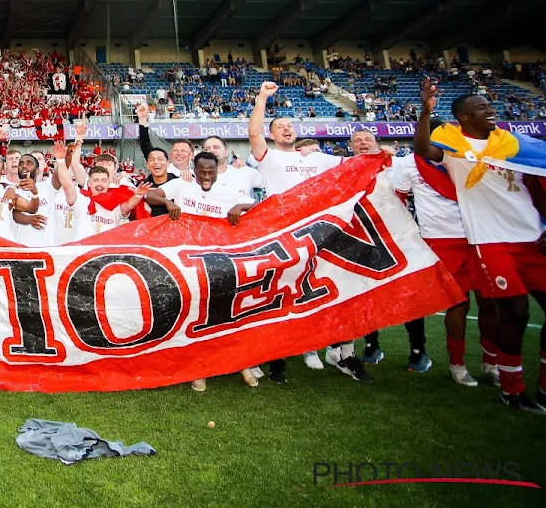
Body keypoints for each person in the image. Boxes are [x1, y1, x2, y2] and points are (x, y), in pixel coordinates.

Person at [415, 79, 546, 415]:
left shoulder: (512, 143)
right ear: (463, 116)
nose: (490, 110)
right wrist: (424, 112)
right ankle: (513, 389)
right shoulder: (450, 144)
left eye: (490, 106)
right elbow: (423, 150)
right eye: (481, 108)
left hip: (533, 238)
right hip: (492, 241)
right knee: (516, 312)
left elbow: (536, 184)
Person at [366, 119, 501, 387]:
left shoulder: (467, 159)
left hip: (481, 235)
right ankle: (457, 364)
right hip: (441, 240)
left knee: (490, 302)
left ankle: (491, 361)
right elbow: (398, 201)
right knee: (458, 303)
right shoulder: (407, 164)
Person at [248, 81, 356, 384]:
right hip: (285, 236)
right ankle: (277, 358)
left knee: (321, 291)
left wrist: (380, 154)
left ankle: (336, 352)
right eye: (279, 126)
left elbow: (355, 166)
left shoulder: (316, 159)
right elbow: (253, 133)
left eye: (288, 125)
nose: (285, 129)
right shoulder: (270, 158)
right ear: (272, 134)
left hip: (320, 235)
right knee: (279, 296)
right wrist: (262, 98)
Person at [145, 152, 256, 391]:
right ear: (194, 170)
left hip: (218, 264)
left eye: (211, 171)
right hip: (187, 263)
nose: (207, 175)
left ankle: (239, 364)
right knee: (194, 316)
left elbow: (255, 203)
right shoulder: (181, 185)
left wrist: (239, 205)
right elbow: (150, 194)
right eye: (202, 171)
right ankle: (198, 369)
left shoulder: (227, 192)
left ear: (217, 171)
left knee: (222, 315)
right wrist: (168, 203)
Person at [54, 140, 147, 241]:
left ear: (109, 182)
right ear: (88, 183)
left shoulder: (120, 195)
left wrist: (138, 195)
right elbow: (66, 183)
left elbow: (130, 205)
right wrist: (60, 160)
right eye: (95, 180)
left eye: (103, 180)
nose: (99, 184)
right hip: (84, 252)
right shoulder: (81, 199)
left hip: (108, 252)